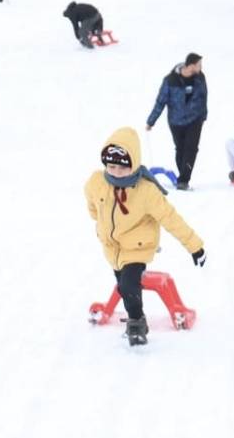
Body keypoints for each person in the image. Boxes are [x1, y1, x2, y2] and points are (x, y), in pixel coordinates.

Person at [84, 127, 205, 346]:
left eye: (122, 167)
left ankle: (136, 323)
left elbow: (171, 219)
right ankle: (131, 303)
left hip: (138, 247)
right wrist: (99, 222)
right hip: (112, 248)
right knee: (122, 284)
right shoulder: (97, 182)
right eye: (111, 166)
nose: (115, 172)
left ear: (134, 163)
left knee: (130, 285)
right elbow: (92, 204)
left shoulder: (146, 191)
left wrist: (194, 246)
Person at [146, 52, 208, 190]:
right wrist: (151, 121)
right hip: (176, 121)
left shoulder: (200, 78)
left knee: (191, 148)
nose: (201, 68)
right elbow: (160, 101)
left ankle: (184, 180)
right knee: (180, 149)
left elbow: (204, 96)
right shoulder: (170, 80)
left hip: (195, 119)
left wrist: (203, 116)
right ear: (191, 66)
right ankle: (182, 175)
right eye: (199, 65)